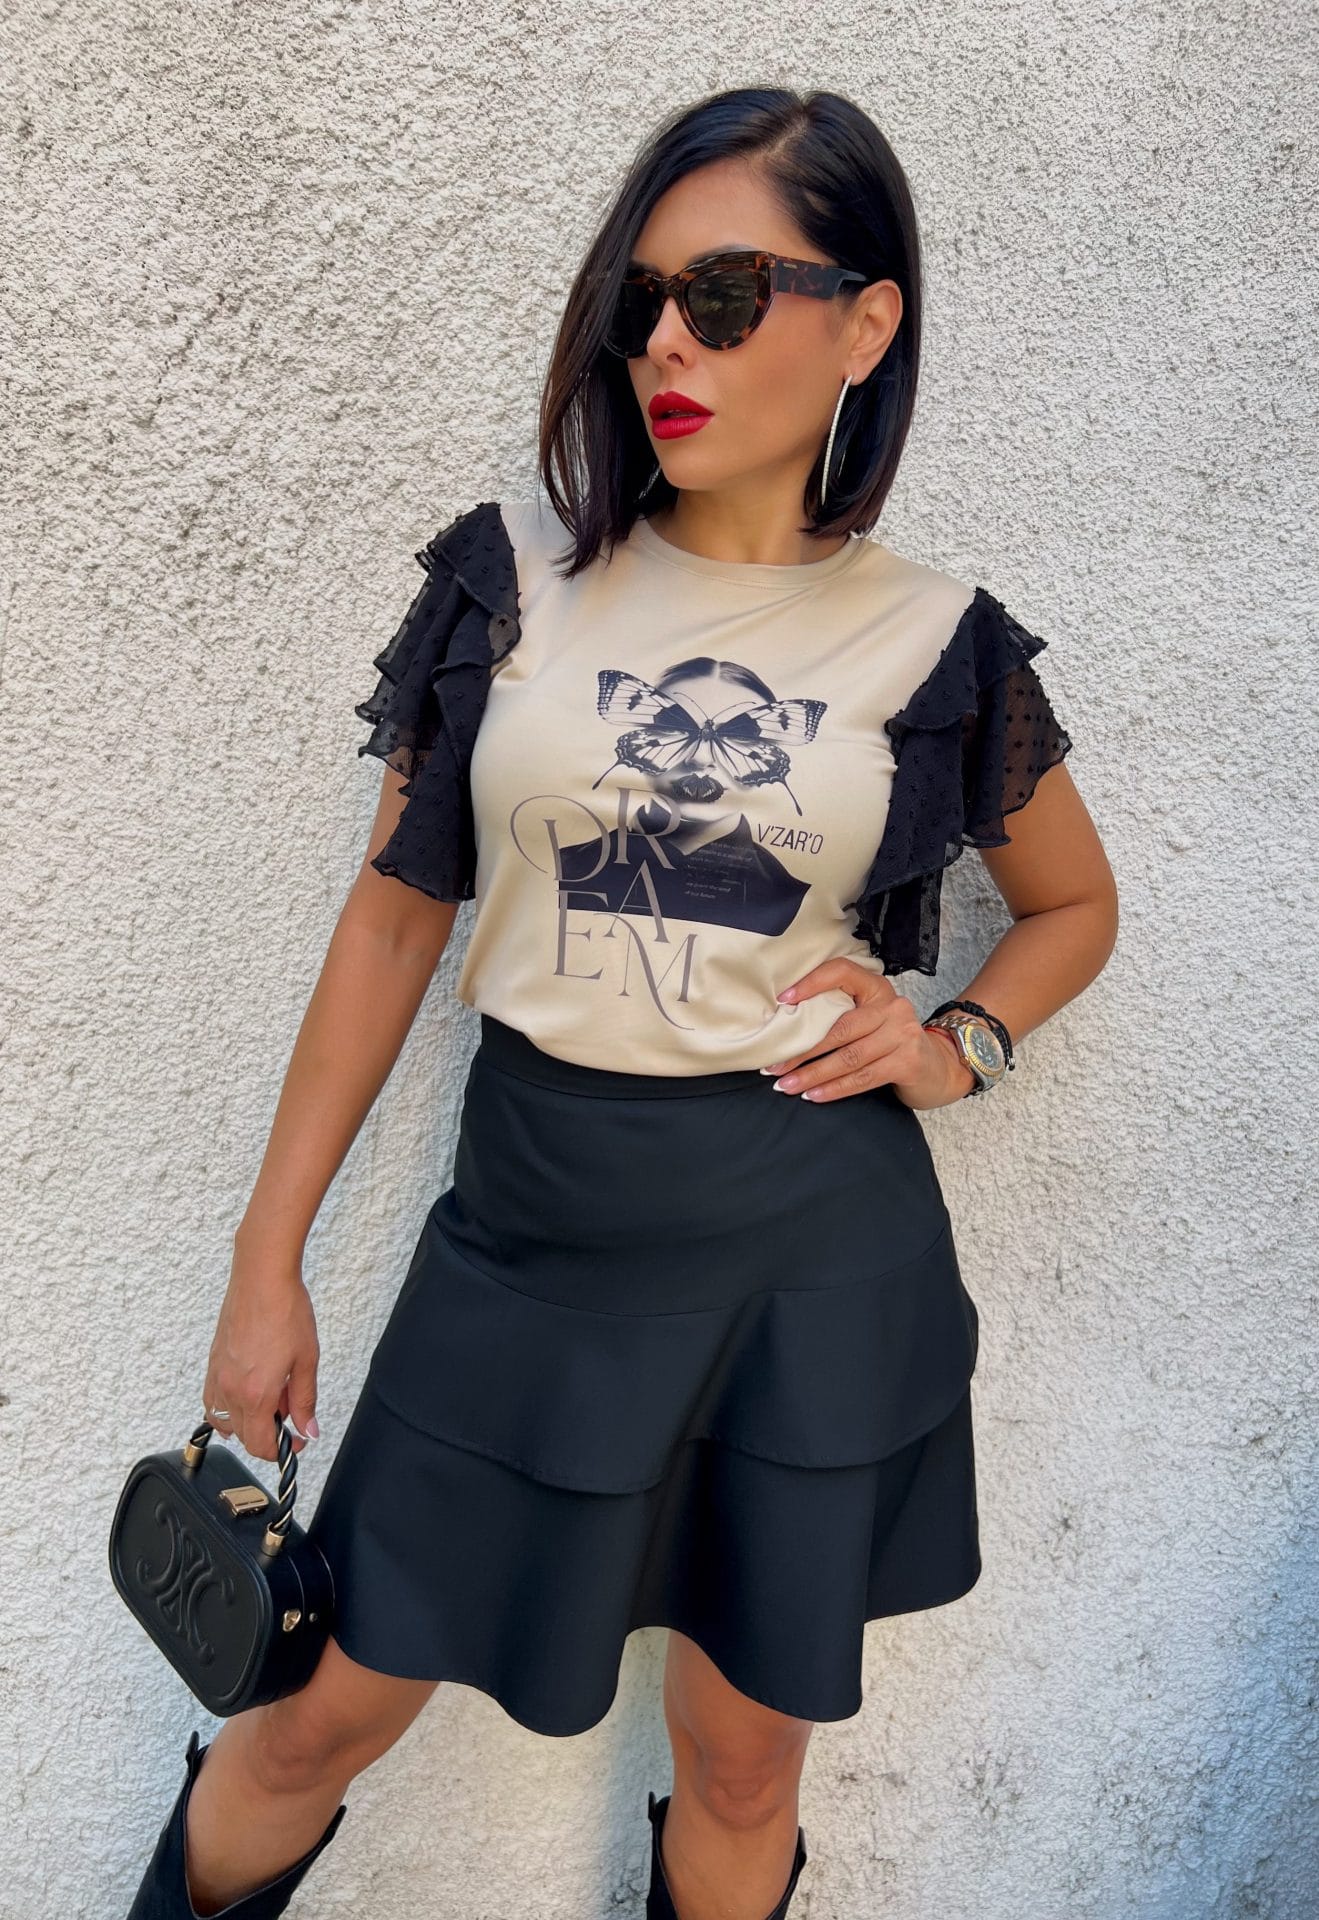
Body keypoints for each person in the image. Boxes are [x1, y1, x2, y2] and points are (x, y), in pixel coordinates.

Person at [123, 84, 1118, 1920]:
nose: (667, 340)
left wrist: (955, 1044)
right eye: (643, 299)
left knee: (742, 1762)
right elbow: (392, 925)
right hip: (528, 1234)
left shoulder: (934, 638)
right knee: (308, 1716)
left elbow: (1074, 905)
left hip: (807, 1259)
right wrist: (271, 1263)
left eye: (726, 295)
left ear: (867, 324)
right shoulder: (514, 584)